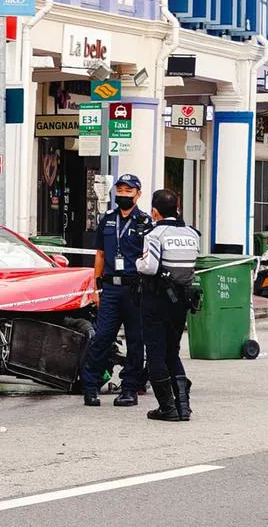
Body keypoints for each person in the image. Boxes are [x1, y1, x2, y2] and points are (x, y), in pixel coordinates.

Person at [82, 174, 152, 408]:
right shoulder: (108, 220)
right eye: (119, 190)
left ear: (138, 194)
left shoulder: (145, 222)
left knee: (136, 340)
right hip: (111, 288)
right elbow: (100, 254)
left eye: (128, 191)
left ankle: (129, 388)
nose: (123, 194)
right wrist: (95, 286)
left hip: (135, 288)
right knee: (102, 338)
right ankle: (91, 387)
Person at [137, 188, 201, 422]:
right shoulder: (192, 234)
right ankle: (183, 407)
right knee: (172, 352)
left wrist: (137, 263)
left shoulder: (155, 234)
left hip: (157, 299)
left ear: (154, 212)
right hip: (182, 301)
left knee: (155, 353)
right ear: (178, 207)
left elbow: (150, 267)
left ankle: (167, 407)